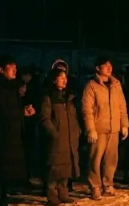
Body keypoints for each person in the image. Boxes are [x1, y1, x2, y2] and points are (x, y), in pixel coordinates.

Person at [81, 56, 129, 200]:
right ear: (97, 68)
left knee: (111, 159)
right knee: (95, 160)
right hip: (99, 129)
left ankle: (108, 183)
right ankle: (95, 186)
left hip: (113, 129)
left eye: (110, 65)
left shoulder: (116, 84)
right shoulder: (91, 86)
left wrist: (124, 124)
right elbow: (87, 110)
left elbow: (122, 106)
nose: (109, 68)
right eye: (105, 65)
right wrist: (90, 129)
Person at [40, 68, 81, 206]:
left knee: (66, 168)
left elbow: (74, 116)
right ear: (53, 79)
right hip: (56, 140)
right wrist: (53, 133)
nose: (64, 80)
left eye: (65, 77)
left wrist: (77, 130)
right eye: (61, 77)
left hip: (69, 138)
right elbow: (45, 118)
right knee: (54, 169)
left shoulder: (69, 96)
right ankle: (51, 194)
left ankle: (63, 192)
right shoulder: (48, 97)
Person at [0, 56, 37, 206]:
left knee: (7, 171)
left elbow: (14, 109)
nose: (15, 70)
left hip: (12, 133)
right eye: (11, 67)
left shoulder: (12, 88)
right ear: (1, 69)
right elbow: (4, 111)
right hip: (3, 134)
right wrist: (20, 112)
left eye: (16, 67)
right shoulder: (3, 88)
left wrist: (25, 112)